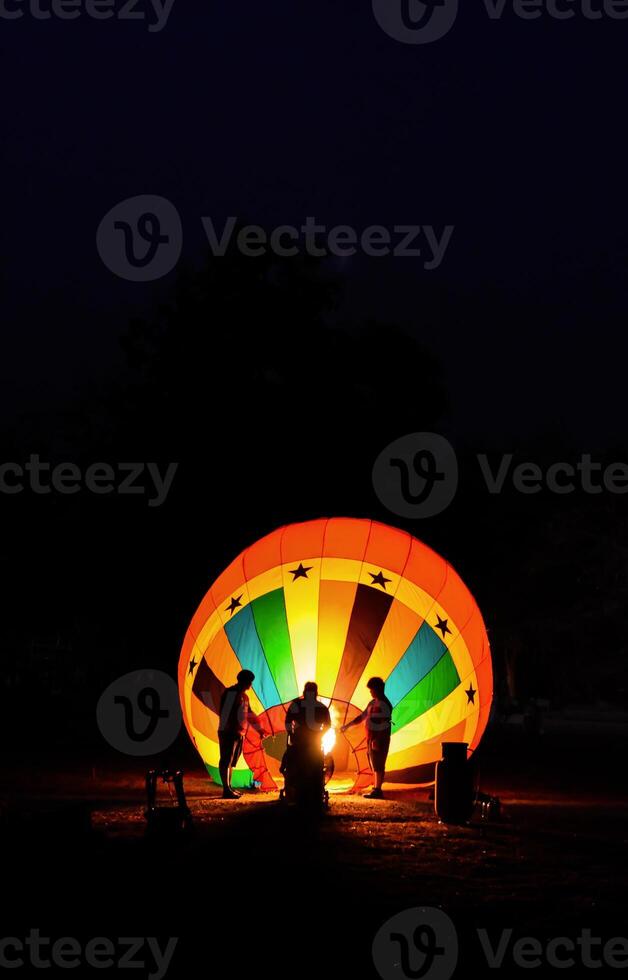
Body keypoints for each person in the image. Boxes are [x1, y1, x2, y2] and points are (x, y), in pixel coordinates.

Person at [341, 676, 392, 799]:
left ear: (377, 689)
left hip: (379, 739)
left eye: (371, 689)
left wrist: (378, 740)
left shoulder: (385, 704)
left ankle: (378, 790)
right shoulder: (372, 702)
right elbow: (362, 716)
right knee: (373, 763)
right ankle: (376, 788)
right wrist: (347, 726)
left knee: (379, 763)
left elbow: (385, 724)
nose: (370, 692)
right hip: (371, 738)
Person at [218, 669, 266, 799]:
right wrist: (230, 728)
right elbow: (224, 713)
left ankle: (228, 787)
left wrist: (259, 729)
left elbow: (249, 714)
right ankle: (226, 789)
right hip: (229, 732)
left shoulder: (244, 697)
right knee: (226, 759)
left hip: (239, 733)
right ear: (244, 681)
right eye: (250, 682)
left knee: (231, 761)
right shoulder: (231, 693)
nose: (251, 685)